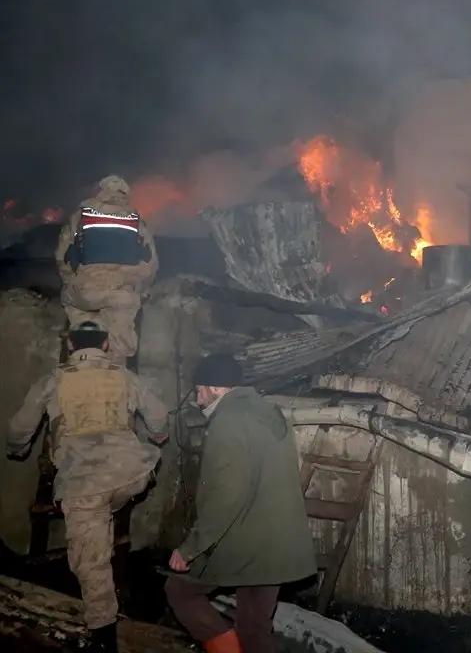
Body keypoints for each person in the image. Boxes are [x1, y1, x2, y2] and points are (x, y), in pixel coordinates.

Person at [4, 321, 168, 652]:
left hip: (86, 481)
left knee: (88, 561)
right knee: (100, 519)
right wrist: (158, 435)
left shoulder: (55, 379)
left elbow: (21, 426)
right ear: (106, 346)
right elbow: (159, 415)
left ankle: (103, 636)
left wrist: (17, 449)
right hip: (132, 473)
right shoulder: (124, 375)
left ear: (70, 346)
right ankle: (104, 547)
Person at [164, 354, 316, 653]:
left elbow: (225, 495)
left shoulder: (228, 421)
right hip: (277, 543)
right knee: (254, 628)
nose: (197, 399)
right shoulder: (269, 412)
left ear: (216, 389)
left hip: (247, 542)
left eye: (200, 391)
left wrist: (191, 548)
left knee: (180, 591)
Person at [56, 174, 159, 364]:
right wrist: (138, 291)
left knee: (81, 331)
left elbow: (62, 257)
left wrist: (73, 281)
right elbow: (150, 265)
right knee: (118, 348)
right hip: (121, 295)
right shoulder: (136, 222)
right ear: (125, 194)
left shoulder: (81, 217)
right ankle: (114, 380)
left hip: (85, 293)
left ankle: (80, 363)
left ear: (101, 191)